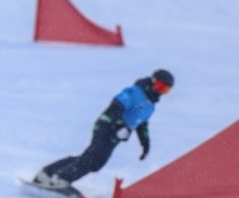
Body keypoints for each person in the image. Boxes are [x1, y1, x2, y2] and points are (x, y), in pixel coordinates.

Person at [34, 69, 174, 190]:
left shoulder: (151, 105)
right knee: (94, 158)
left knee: (93, 159)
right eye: (160, 86)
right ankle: (61, 179)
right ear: (152, 81)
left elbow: (142, 125)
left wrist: (145, 144)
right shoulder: (135, 92)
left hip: (117, 135)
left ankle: (48, 173)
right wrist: (120, 125)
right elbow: (115, 106)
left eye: (165, 90)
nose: (160, 91)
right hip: (106, 126)